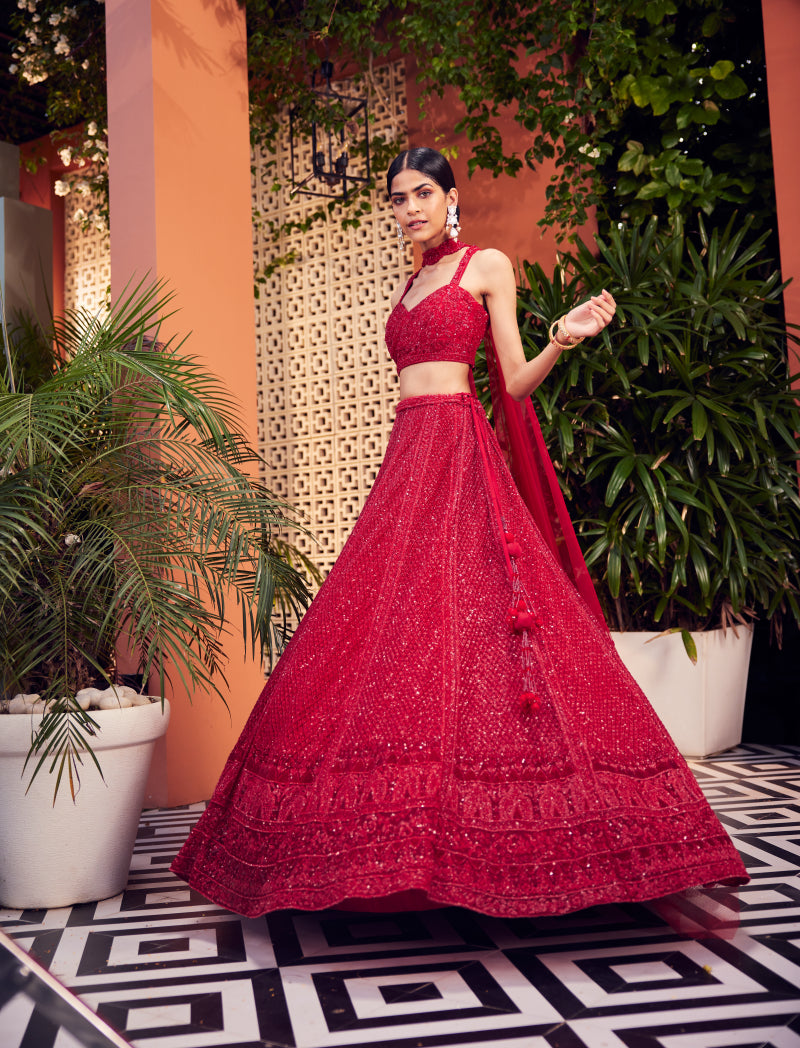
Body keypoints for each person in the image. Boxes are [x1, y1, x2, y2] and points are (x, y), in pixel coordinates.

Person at [171, 146, 748, 917]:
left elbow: (510, 381)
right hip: (406, 455)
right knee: (388, 629)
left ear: (450, 197)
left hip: (458, 449)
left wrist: (562, 338)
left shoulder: (487, 265)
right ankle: (386, 843)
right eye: (397, 198)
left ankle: (588, 837)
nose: (408, 207)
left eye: (421, 193)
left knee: (488, 620)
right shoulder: (411, 283)